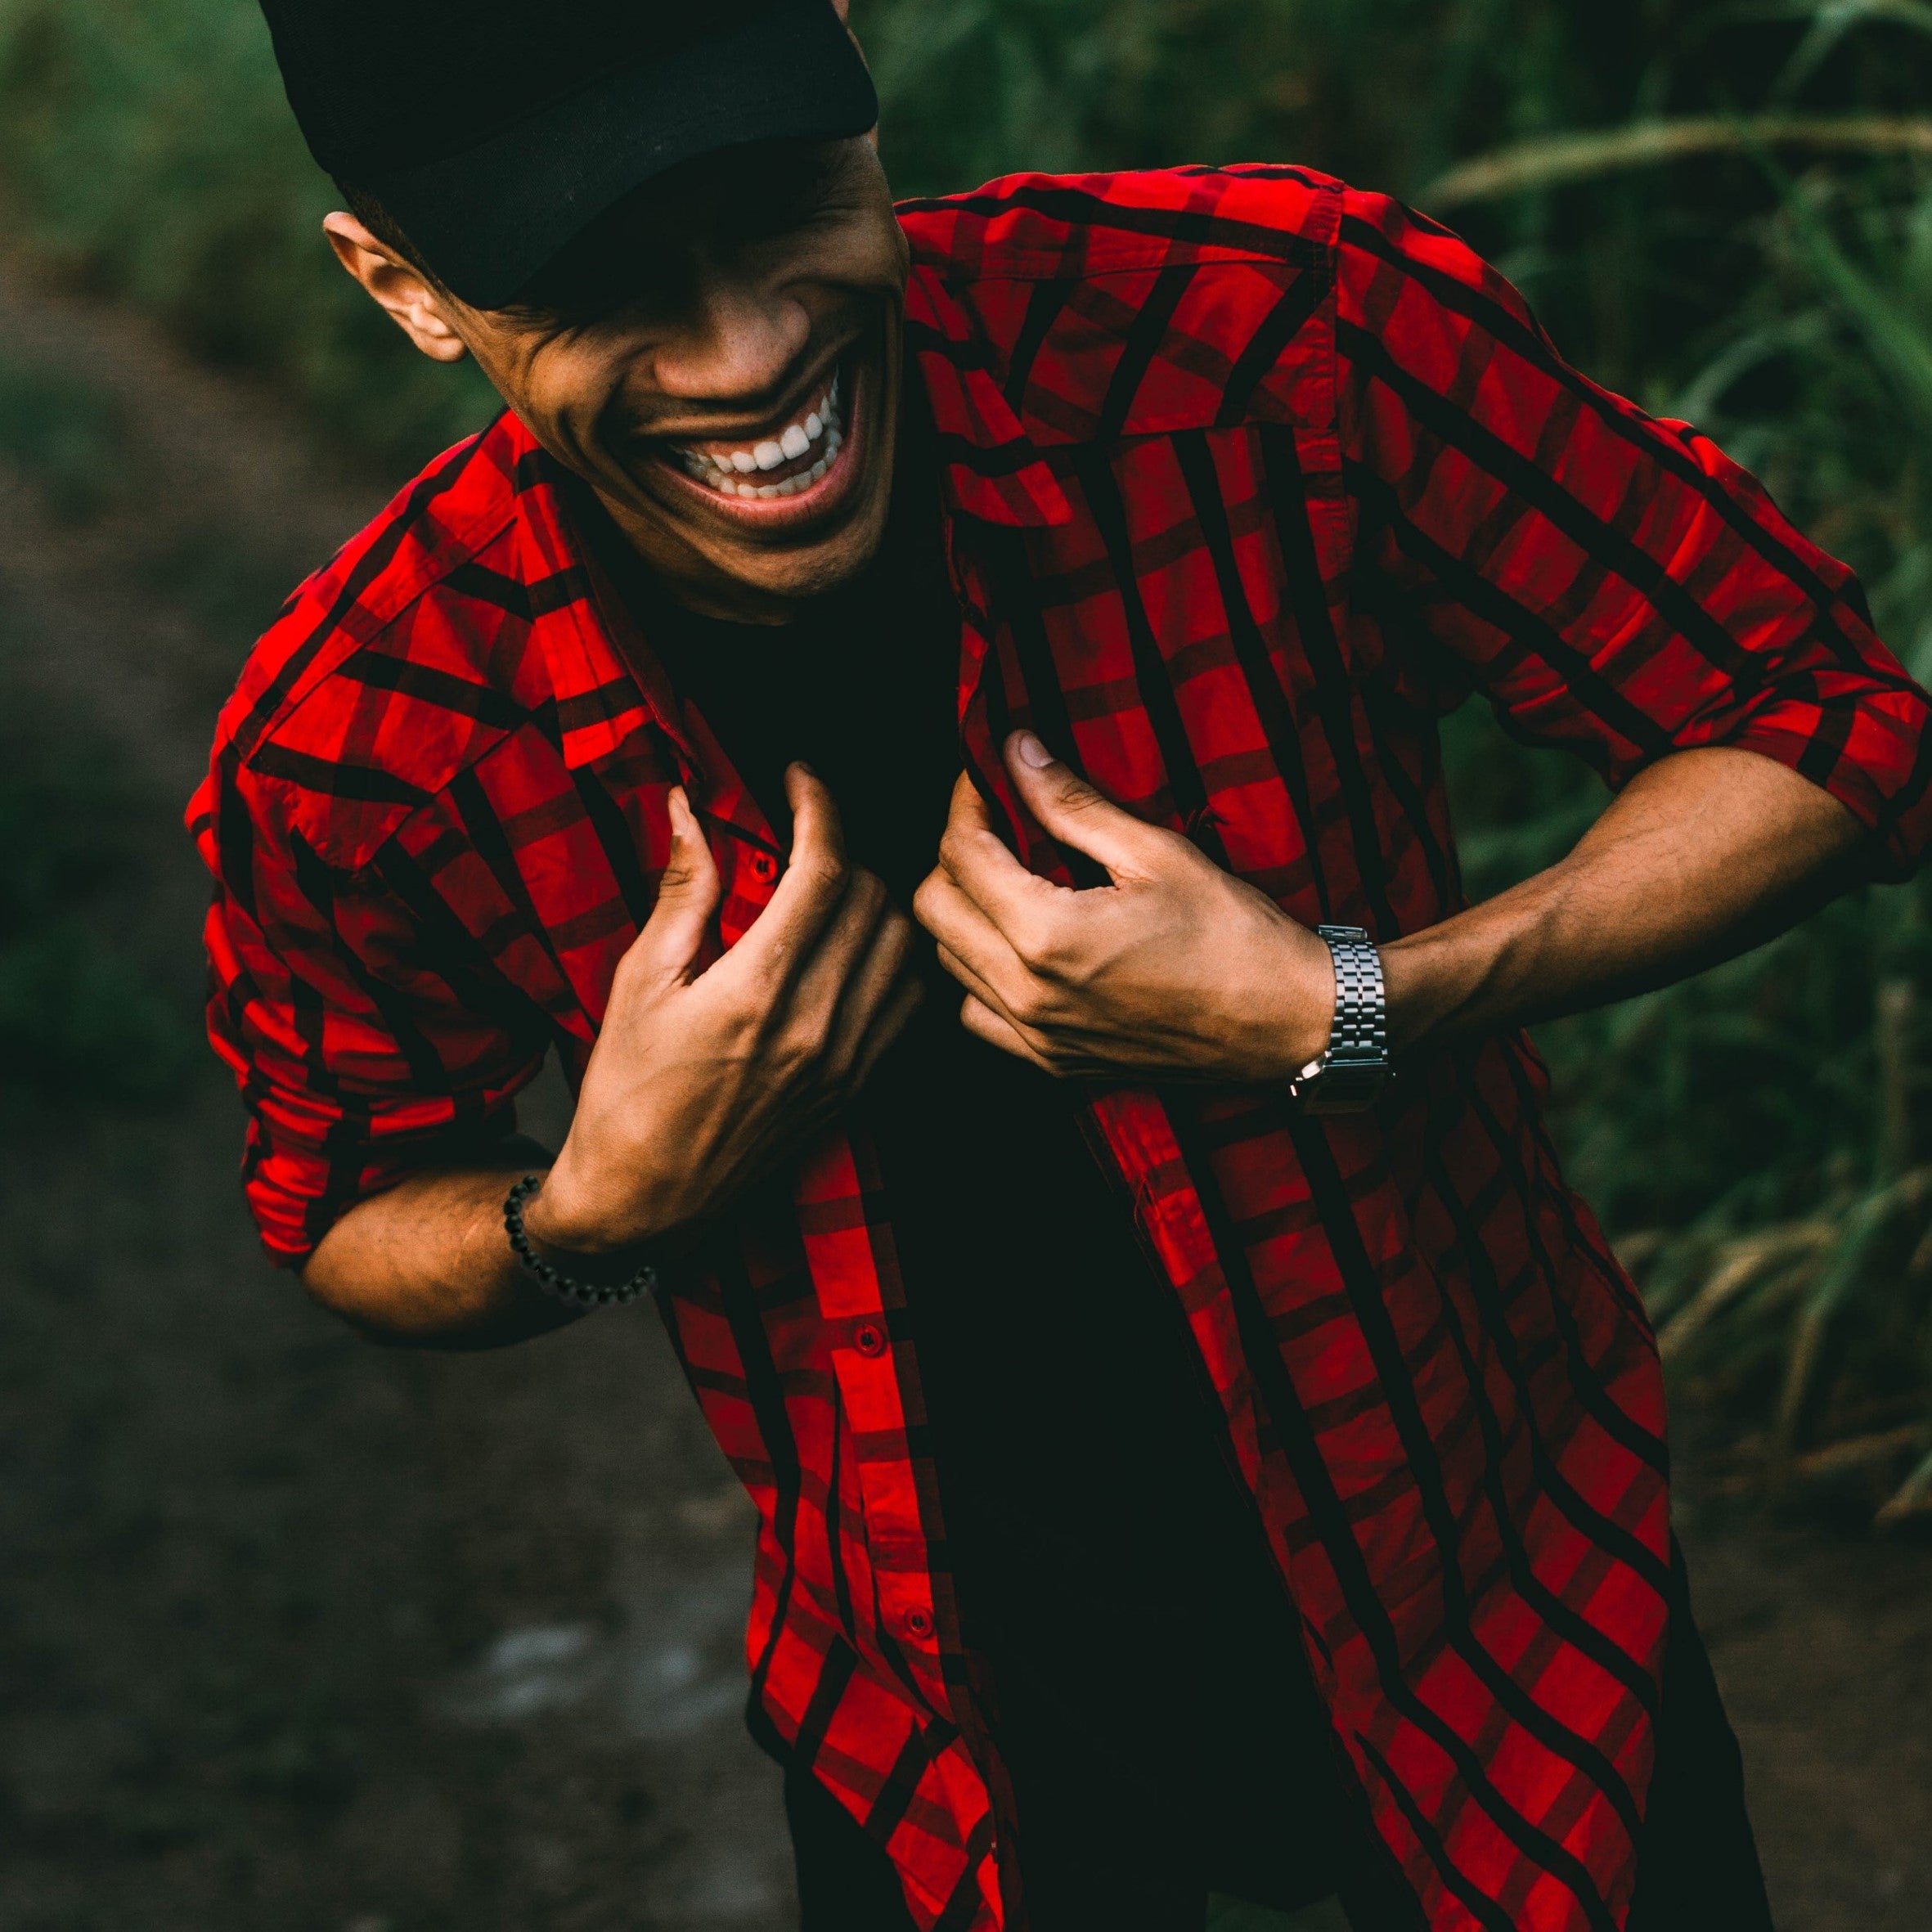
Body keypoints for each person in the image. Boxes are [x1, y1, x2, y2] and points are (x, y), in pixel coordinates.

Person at [191, 3, 1930, 1927]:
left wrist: (1358, 1000)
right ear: (403, 286)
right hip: (940, 1766)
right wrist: (596, 1204)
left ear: (846, 60)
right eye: (595, 281)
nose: (745, 352)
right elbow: (345, 1198)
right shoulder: (363, 741)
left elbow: (1806, 708)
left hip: (1509, 1643)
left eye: (773, 199)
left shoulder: (1272, 327)